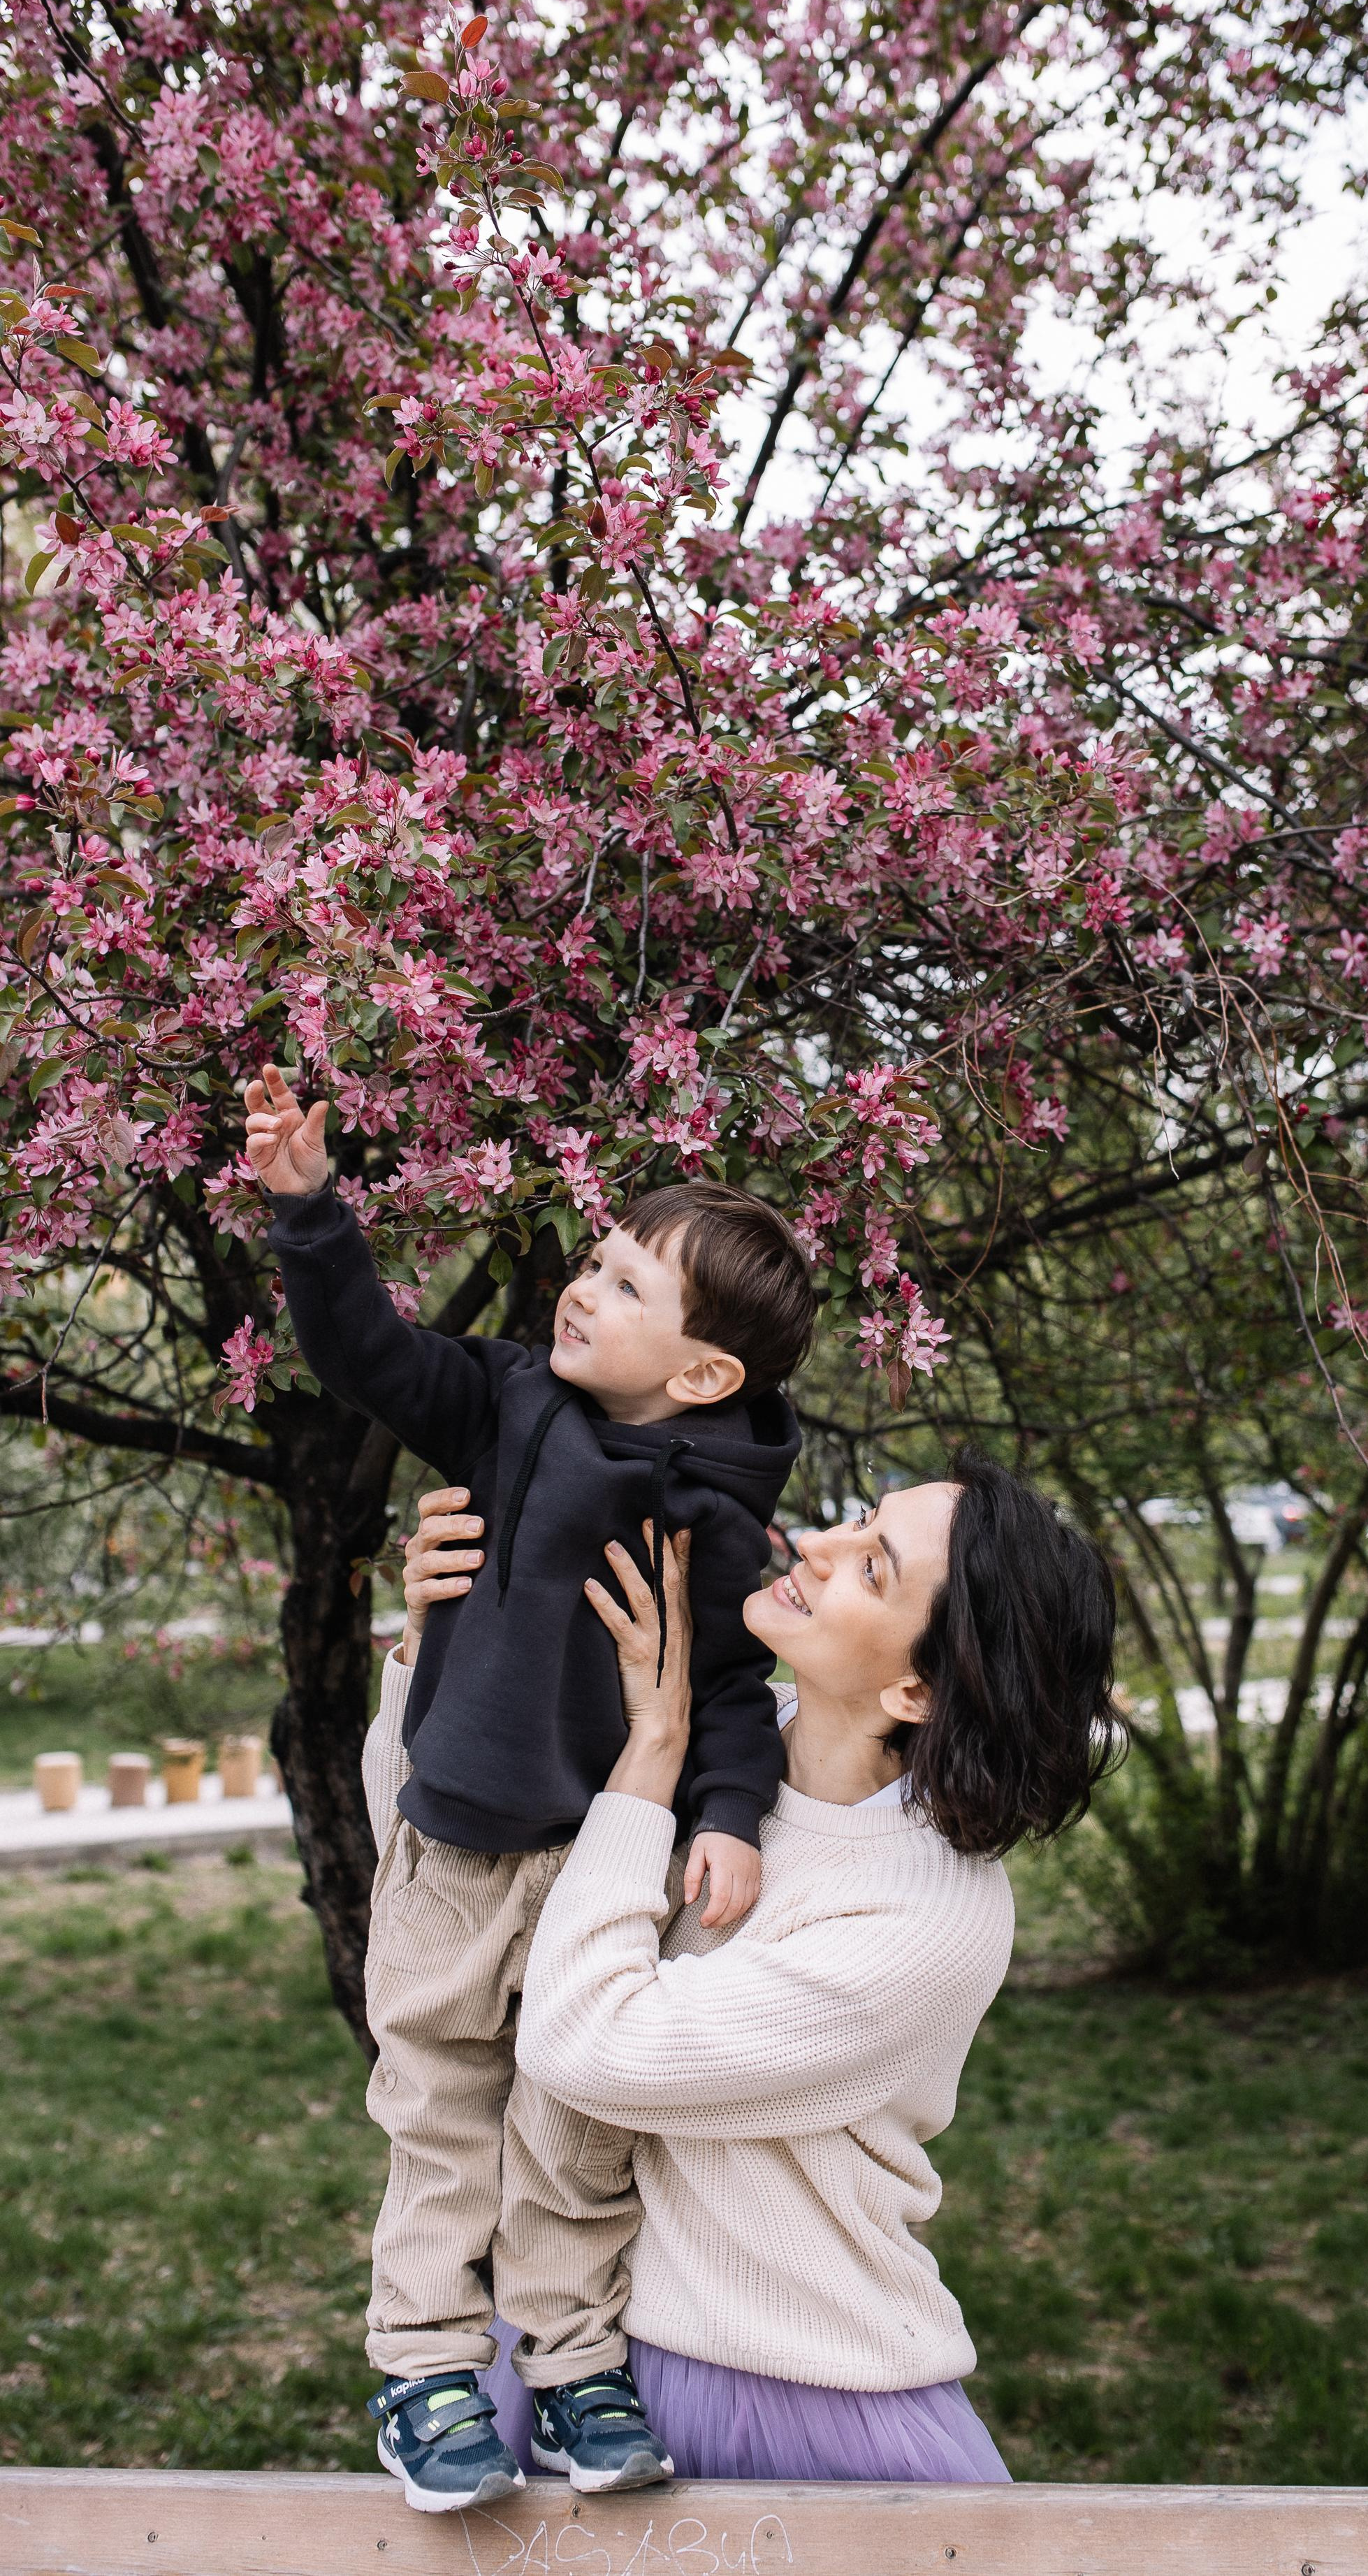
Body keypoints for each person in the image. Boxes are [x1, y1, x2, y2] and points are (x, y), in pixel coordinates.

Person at [243, 1062, 817, 2512]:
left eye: (627, 1285)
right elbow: (369, 1353)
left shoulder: (718, 1517)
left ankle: (569, 2365)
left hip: (598, 1868)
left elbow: (737, 1695)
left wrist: (732, 1821)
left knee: (575, 2122)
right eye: (599, 1257)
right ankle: (426, 2365)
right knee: (438, 2106)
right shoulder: (508, 1403)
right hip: (451, 1846)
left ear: (699, 1375)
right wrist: (310, 1210)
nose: (583, 1287)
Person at [377, 1449, 1117, 2484]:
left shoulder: (925, 1913)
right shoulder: (723, 1743)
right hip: (572, 2369)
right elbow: (440, 1893)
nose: (816, 1546)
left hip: (789, 2393)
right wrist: (433, 1653)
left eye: (872, 1568)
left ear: (914, 1687)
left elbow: (583, 2043)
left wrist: (647, 1760)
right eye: (856, 1520)